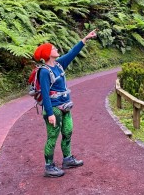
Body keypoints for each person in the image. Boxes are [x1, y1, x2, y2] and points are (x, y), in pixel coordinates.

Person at [33, 29, 97, 178]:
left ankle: (67, 159)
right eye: (53, 48)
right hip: (53, 109)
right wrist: (49, 113)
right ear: (48, 54)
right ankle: (49, 166)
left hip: (66, 106)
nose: (56, 49)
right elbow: (44, 94)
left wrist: (85, 38)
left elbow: (72, 53)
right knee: (52, 136)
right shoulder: (44, 71)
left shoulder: (59, 64)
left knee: (68, 132)